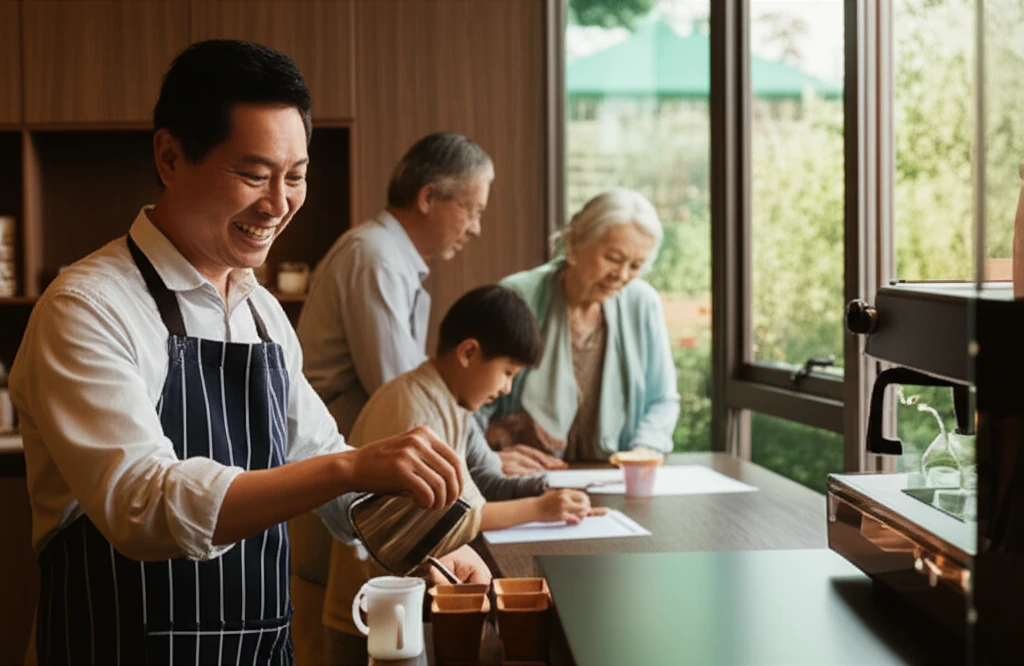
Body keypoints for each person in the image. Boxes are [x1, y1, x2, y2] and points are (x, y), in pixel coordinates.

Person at [8, 40, 474, 664]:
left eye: (296, 176)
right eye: (254, 175)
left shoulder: (261, 314)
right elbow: (143, 506)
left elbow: (323, 463)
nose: (278, 203)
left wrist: (431, 545)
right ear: (170, 157)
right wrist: (349, 468)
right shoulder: (88, 308)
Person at [290, 132, 562, 664]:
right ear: (429, 196)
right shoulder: (376, 259)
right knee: (340, 639)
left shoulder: (393, 259)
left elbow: (438, 405)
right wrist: (474, 459)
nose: (476, 226)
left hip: (361, 482)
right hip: (338, 479)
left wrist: (478, 455)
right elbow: (407, 394)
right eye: (472, 209)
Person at [322, 285, 604, 664]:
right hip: (376, 615)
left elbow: (486, 483)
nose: (506, 388)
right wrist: (541, 508)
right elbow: (448, 520)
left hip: (405, 604)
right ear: (469, 352)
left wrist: (549, 491)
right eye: (506, 372)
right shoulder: (417, 409)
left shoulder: (453, 404)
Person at [479, 188, 681, 462]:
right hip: (525, 476)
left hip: (612, 475)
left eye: (635, 266)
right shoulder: (517, 295)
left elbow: (662, 399)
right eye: (613, 258)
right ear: (574, 244)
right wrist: (485, 458)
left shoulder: (643, 304)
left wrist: (643, 451)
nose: (621, 276)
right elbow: (472, 398)